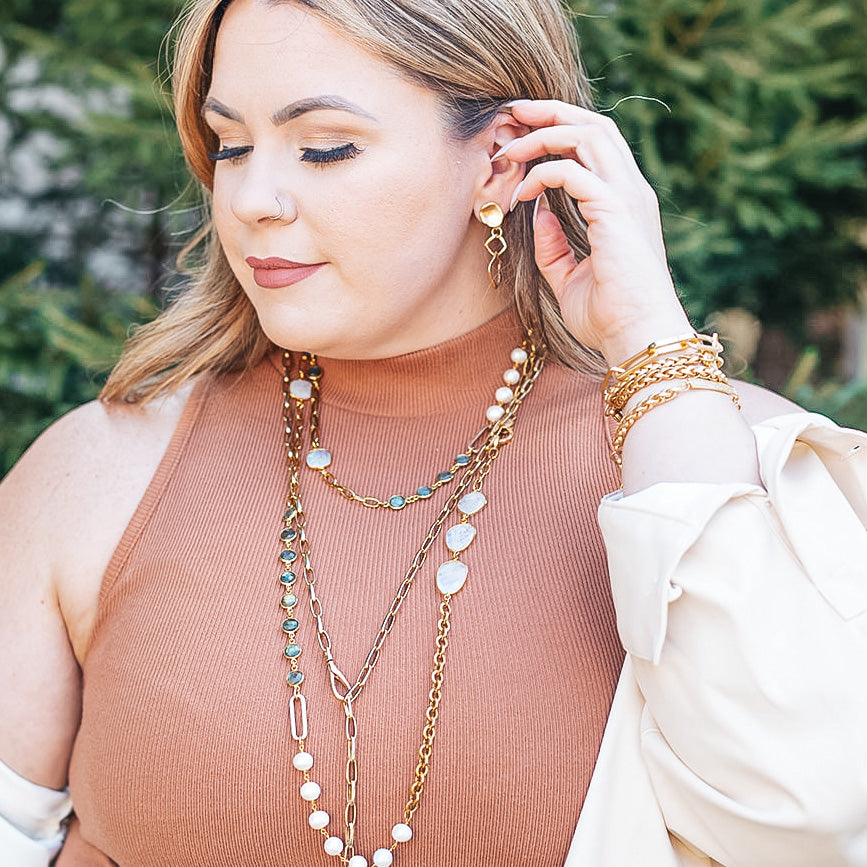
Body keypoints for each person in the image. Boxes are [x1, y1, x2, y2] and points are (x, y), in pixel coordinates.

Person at [2, 0, 866, 864]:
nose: (251, 199)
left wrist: (650, 339)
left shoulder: (732, 462)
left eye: (323, 146)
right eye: (230, 144)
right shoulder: (97, 476)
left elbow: (803, 822)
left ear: (500, 161)